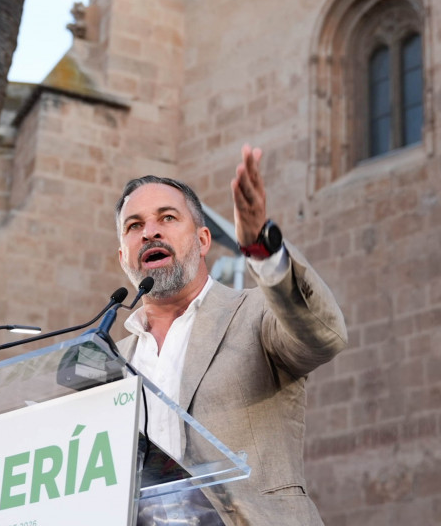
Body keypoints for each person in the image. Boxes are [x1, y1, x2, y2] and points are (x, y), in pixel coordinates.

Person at [114, 144, 348, 525]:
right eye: (134, 225)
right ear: (123, 256)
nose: (150, 232)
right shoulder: (110, 364)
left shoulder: (255, 314)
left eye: (167, 217)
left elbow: (322, 336)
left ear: (203, 241)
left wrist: (262, 249)